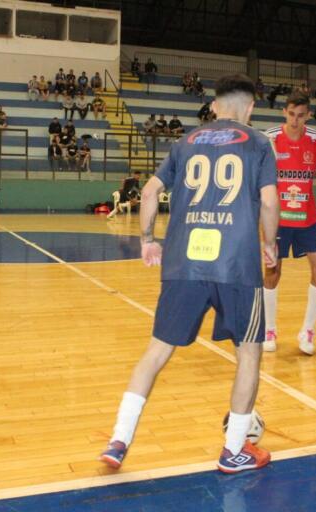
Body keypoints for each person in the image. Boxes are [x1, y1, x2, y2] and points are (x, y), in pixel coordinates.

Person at [100, 74, 279, 474]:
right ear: (250, 108)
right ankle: (234, 450)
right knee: (248, 354)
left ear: (214, 107)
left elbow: (148, 193)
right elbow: (269, 201)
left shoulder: (185, 143)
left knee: (156, 353)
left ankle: (118, 440)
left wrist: (147, 239)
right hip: (236, 266)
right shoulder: (260, 143)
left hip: (183, 264)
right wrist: (270, 242)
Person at [262, 92, 316, 355]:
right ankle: (269, 329)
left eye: (301, 115)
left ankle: (307, 330)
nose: (295, 120)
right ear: (285, 112)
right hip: (277, 220)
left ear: (308, 115)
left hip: (307, 220)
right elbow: (260, 179)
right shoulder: (269, 138)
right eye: (291, 114)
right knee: (272, 272)